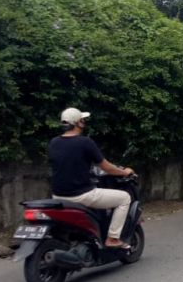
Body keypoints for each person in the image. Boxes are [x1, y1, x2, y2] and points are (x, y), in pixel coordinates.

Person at [48, 107, 135, 249]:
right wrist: (125, 172)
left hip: (58, 196)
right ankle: (113, 238)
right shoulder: (85, 142)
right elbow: (106, 167)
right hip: (81, 195)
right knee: (124, 198)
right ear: (79, 123)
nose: (84, 122)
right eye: (83, 120)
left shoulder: (53, 142)